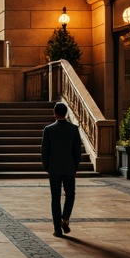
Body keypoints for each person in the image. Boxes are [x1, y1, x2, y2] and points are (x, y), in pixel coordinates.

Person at [41, 101, 82, 237]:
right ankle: (65, 218)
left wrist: (47, 166)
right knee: (70, 195)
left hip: (54, 168)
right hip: (69, 167)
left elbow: (44, 151)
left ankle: (57, 229)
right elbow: (77, 151)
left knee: (55, 198)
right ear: (66, 113)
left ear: (54, 113)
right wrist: (75, 166)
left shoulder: (48, 129)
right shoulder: (74, 129)